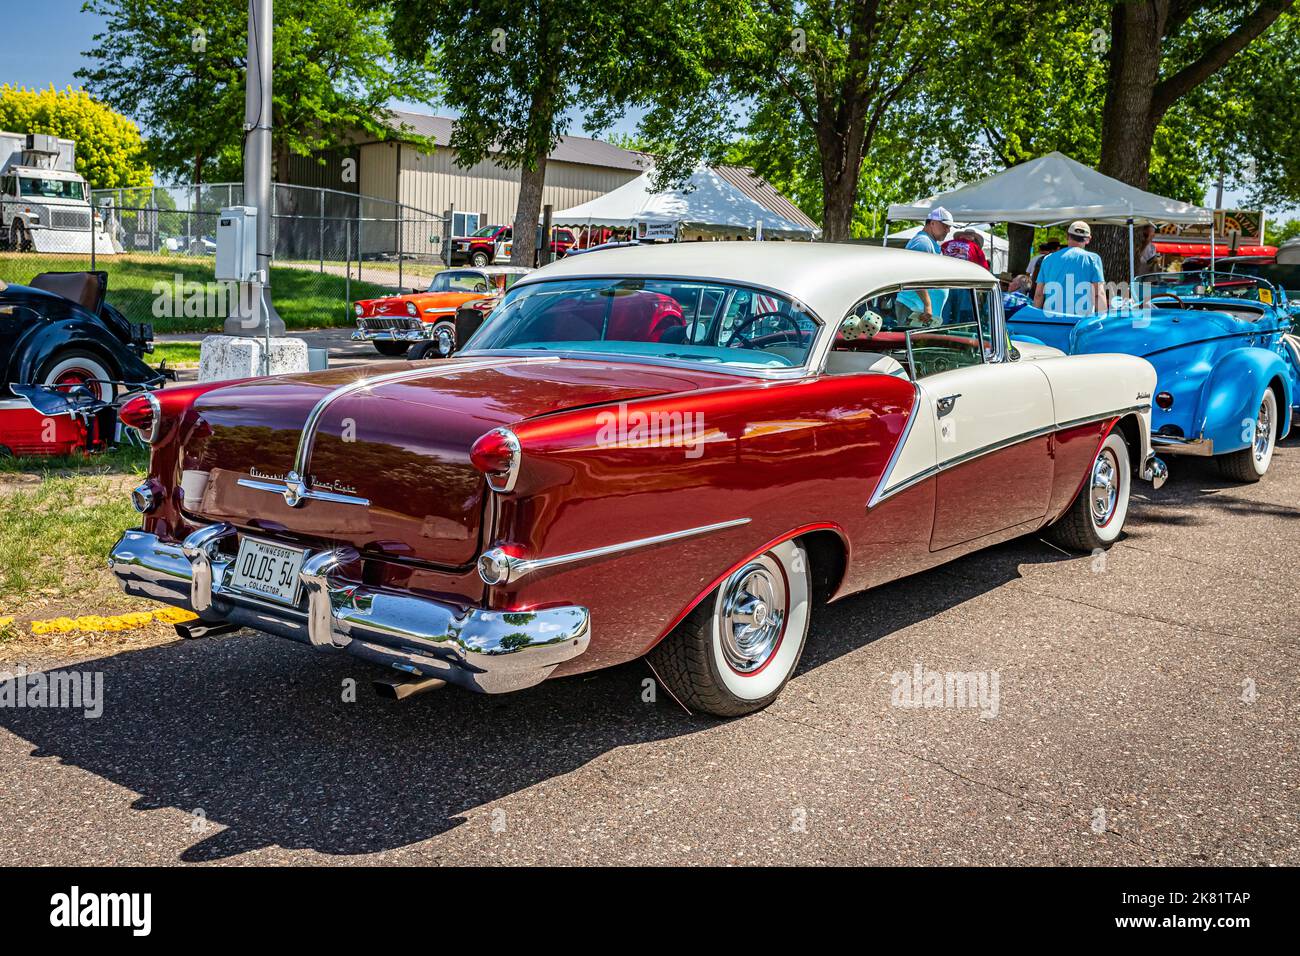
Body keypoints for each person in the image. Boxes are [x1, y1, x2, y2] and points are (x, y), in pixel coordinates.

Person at [895, 207, 954, 326]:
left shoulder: (929, 242)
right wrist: (927, 305)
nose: (948, 230)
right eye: (945, 226)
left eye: (949, 227)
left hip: (919, 311)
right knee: (909, 344)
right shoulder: (923, 242)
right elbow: (913, 274)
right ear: (932, 223)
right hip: (914, 310)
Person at [1033, 220, 1107, 315]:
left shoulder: (1048, 259)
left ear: (1067, 236)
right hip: (1080, 323)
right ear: (1088, 239)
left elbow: (1038, 295)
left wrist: (1035, 319)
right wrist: (1104, 321)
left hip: (1051, 321)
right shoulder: (1093, 259)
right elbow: (1098, 294)